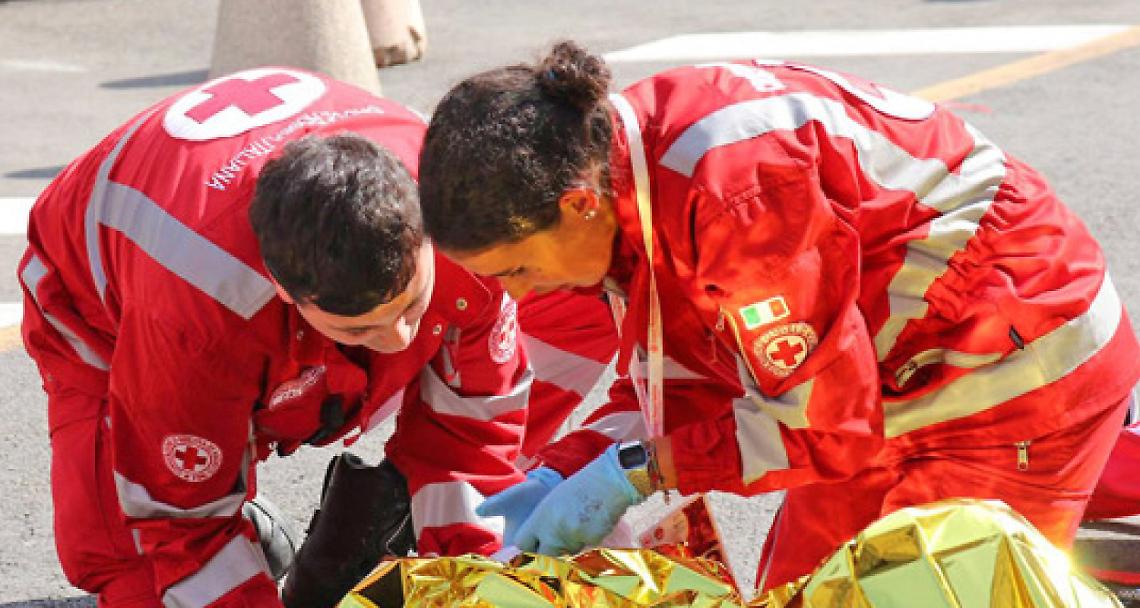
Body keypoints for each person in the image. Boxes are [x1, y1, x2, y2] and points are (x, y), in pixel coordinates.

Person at [417, 41, 1140, 592]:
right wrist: (567, 469)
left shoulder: (737, 196)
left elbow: (821, 428)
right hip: (876, 380)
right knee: (797, 597)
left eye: (517, 269)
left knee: (922, 593)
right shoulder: (618, 169)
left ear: (579, 203)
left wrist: (636, 471)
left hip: (1012, 375)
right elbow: (689, 379)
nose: (519, 295)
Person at [18, 67, 534, 607]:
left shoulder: (460, 221)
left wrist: (472, 580)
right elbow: (181, 525)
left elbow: (470, 439)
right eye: (358, 328)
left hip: (256, 288)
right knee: (134, 566)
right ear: (284, 290)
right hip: (96, 299)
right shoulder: (197, 313)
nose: (401, 339)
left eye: (410, 304)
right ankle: (242, 518)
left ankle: (279, 527)